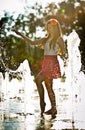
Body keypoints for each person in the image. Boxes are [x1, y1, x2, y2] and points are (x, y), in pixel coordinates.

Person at [14, 18, 65, 118]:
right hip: (46, 62)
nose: (49, 29)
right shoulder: (45, 39)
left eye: (52, 28)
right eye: (48, 28)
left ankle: (45, 103)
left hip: (52, 63)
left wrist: (62, 54)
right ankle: (52, 107)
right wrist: (20, 34)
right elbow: (32, 42)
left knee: (39, 81)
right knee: (47, 86)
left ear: (56, 28)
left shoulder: (59, 39)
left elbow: (64, 52)